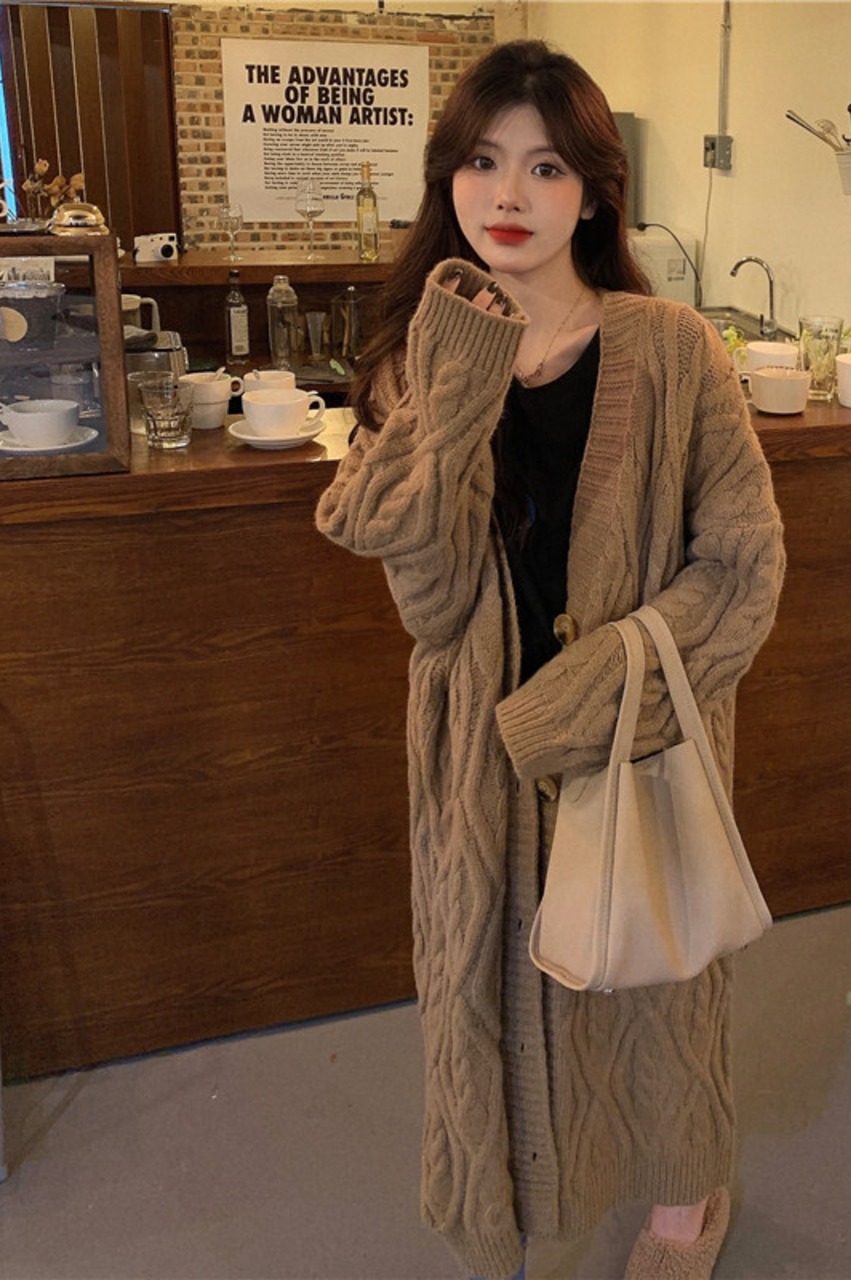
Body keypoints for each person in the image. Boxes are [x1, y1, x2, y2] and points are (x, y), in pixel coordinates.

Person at [316, 39, 784, 1280]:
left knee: (655, 986)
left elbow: (742, 568)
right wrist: (458, 390)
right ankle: (511, 1214)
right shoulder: (419, 358)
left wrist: (581, 702)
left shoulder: (673, 348)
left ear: (592, 192)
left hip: (637, 740)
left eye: (543, 166)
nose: (507, 196)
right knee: (486, 988)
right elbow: (429, 608)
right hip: (476, 758)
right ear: (447, 180)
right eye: (481, 162)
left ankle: (683, 1203)